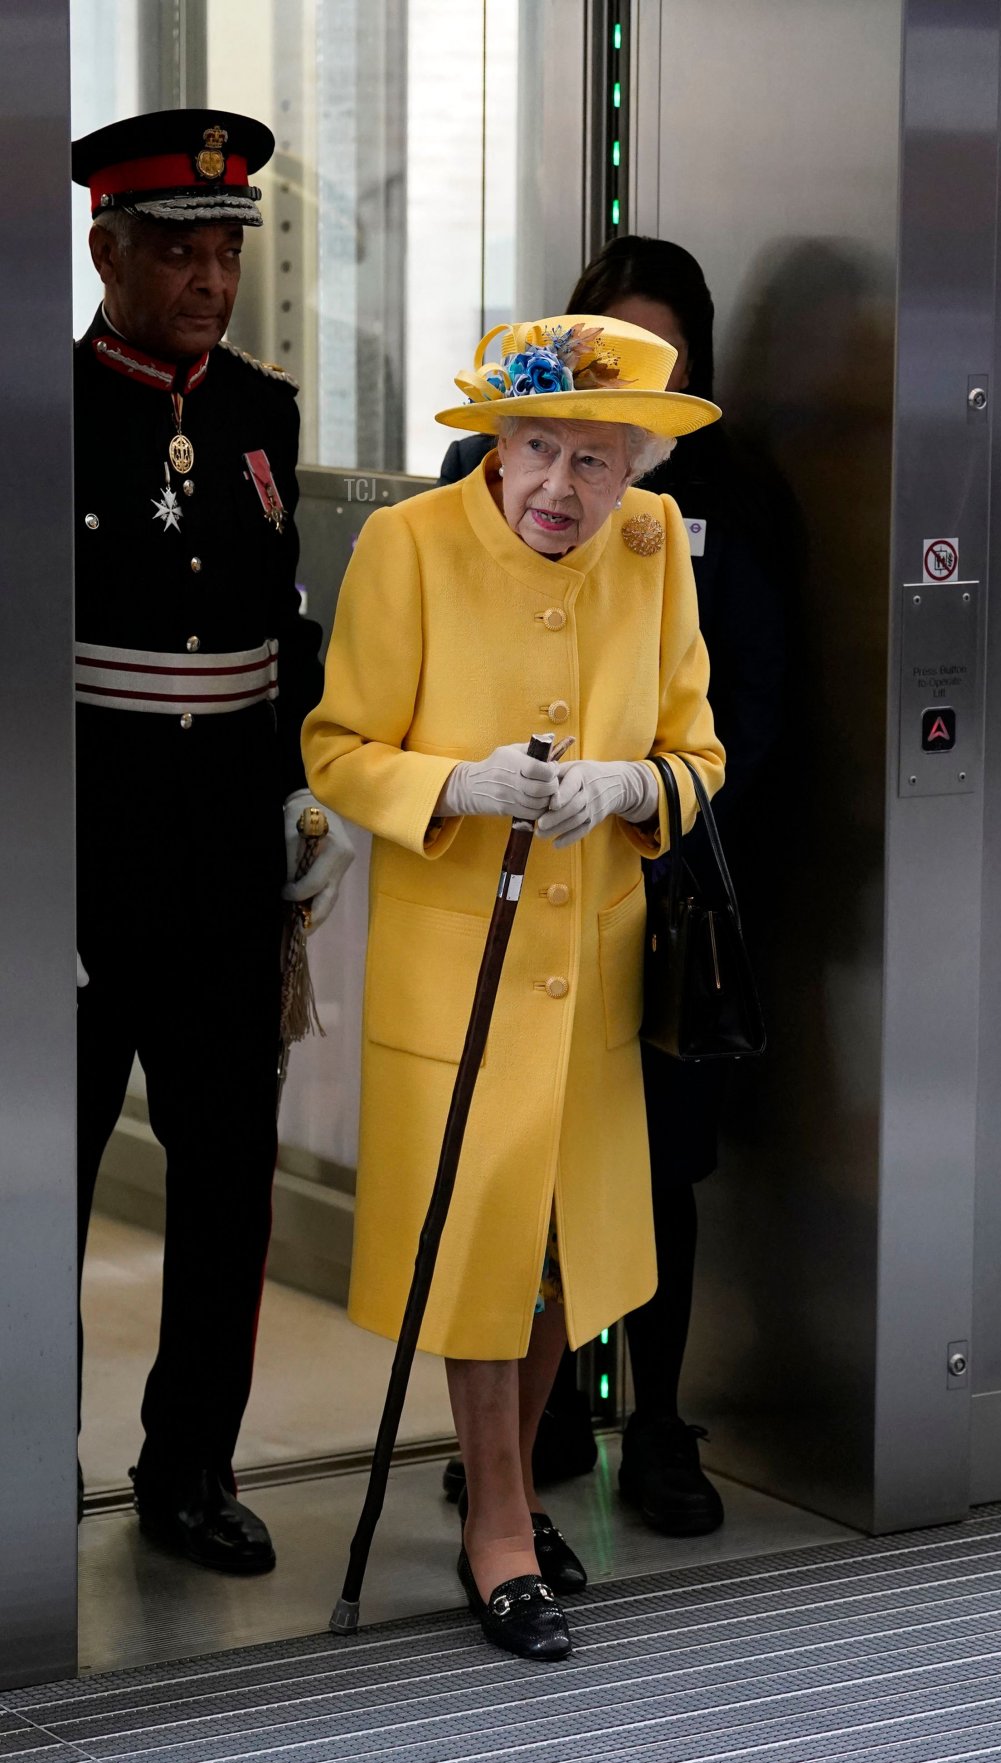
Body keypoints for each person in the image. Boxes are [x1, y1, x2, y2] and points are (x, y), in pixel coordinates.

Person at [303, 315, 723, 1659]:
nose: (562, 488)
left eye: (598, 463)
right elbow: (336, 748)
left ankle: (512, 1491)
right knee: (483, 1244)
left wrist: (627, 788)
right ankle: (498, 1524)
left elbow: (697, 751)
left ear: (638, 471)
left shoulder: (654, 561)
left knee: (560, 1253)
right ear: (498, 442)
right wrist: (457, 785)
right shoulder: (408, 547)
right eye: (540, 448)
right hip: (457, 969)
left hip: (590, 968)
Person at [440, 238, 790, 1536]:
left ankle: (656, 1421)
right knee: (516, 1173)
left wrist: (652, 800)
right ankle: (511, 1444)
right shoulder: (497, 477)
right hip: (513, 884)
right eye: (609, 354)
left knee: (655, 1169)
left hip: (667, 884)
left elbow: (750, 704)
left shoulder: (735, 500)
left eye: (664, 363)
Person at [71, 109, 354, 1572]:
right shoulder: (43, 408)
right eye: (176, 247)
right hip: (76, 875)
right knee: (36, 1180)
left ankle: (189, 1466)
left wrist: (308, 780)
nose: (208, 275)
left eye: (225, 247)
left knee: (228, 1180)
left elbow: (276, 629)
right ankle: (19, 1453)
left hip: (227, 877)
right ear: (103, 246)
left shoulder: (258, 410)